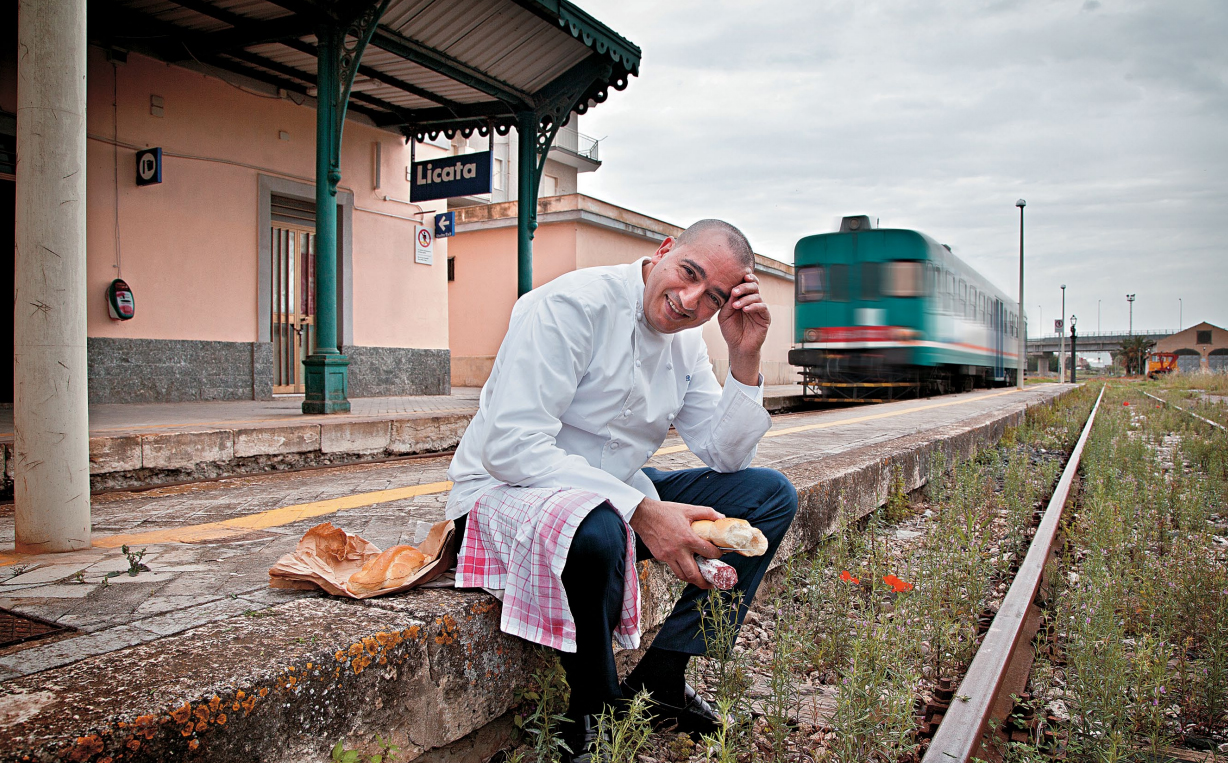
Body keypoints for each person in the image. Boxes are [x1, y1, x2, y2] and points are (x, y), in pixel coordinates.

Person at [444, 219, 798, 759]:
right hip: (500, 495)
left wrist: (744, 357)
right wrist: (641, 510)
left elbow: (726, 455)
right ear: (662, 252)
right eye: (688, 273)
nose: (689, 300)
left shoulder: (687, 347)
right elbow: (511, 446)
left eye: (714, 297)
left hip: (609, 496)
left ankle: (662, 679)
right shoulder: (571, 305)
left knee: (768, 495)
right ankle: (593, 705)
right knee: (601, 525)